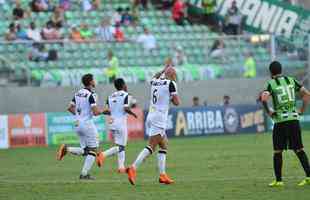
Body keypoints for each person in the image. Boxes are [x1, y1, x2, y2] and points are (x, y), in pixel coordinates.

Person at [126, 66, 180, 185]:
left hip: (151, 116)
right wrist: (170, 97)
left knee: (164, 144)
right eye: (174, 74)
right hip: (159, 118)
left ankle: (162, 175)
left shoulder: (155, 81)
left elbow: (154, 77)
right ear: (172, 75)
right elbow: (177, 102)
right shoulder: (171, 84)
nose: (175, 76)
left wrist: (162, 71)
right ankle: (132, 168)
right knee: (151, 146)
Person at [259, 61, 310, 187]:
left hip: (281, 121)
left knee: (277, 151)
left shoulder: (271, 84)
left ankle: (279, 180)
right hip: (293, 119)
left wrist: (269, 112)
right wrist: (302, 110)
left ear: (271, 72)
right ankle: (309, 177)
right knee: (299, 149)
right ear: (281, 70)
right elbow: (307, 94)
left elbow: (263, 98)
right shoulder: (292, 80)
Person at [56, 74, 110, 180]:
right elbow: (95, 112)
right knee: (93, 150)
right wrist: (105, 111)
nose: (95, 81)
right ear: (90, 82)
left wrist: (79, 116)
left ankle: (67, 149)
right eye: (93, 79)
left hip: (77, 124)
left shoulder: (78, 93)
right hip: (87, 124)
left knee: (86, 151)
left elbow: (70, 108)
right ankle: (84, 174)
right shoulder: (90, 95)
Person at [96, 78, 138, 173]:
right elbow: (126, 108)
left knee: (119, 145)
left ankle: (121, 167)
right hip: (120, 123)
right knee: (121, 147)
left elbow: (107, 111)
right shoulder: (126, 95)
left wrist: (102, 112)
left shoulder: (110, 96)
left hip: (112, 122)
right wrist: (133, 114)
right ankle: (103, 154)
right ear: (123, 85)